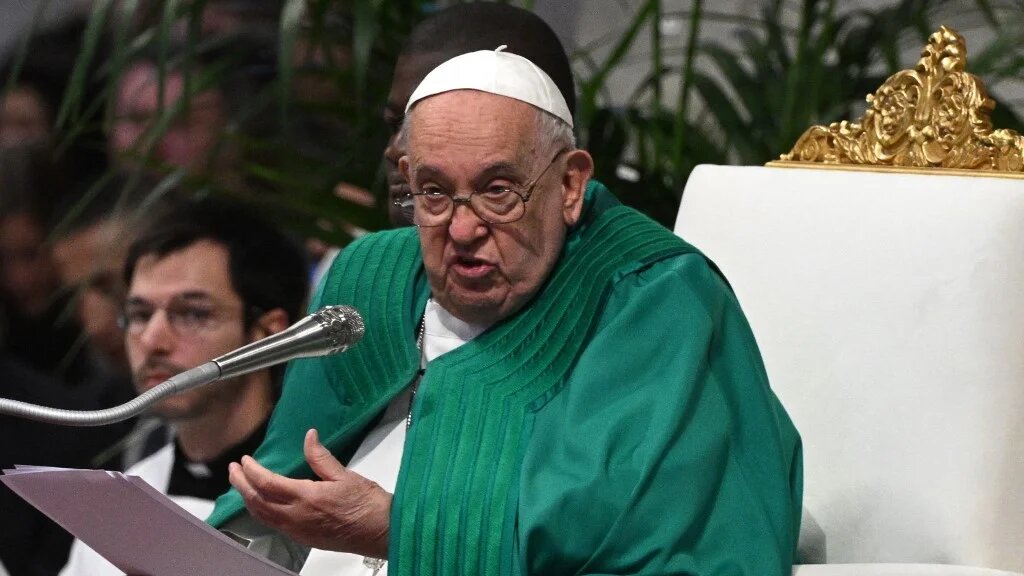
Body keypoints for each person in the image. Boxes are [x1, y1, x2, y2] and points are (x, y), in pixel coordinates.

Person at [212, 44, 803, 576]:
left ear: (570, 186)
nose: (463, 228)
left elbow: (674, 547)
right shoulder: (371, 277)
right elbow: (278, 497)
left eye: (499, 190)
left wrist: (401, 532)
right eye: (435, 192)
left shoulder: (656, 299)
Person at [59, 198, 308, 576]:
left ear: (269, 333)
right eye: (140, 315)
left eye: (193, 313)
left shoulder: (317, 498)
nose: (153, 340)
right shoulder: (115, 505)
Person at [380, 3, 576, 227]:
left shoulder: (613, 259)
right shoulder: (365, 259)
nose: (395, 149)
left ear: (570, 182)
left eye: (441, 124)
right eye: (394, 125)